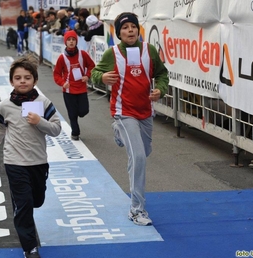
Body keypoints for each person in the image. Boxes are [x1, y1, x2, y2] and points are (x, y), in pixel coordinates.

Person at [0, 56, 61, 258]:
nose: (22, 81)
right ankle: (30, 246)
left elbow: (56, 129)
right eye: (18, 78)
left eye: (27, 77)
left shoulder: (43, 103)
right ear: (11, 81)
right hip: (14, 161)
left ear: (34, 80)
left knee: (37, 200)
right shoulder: (5, 105)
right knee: (24, 204)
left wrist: (39, 121)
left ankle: (22, 204)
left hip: (38, 161)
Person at [91, 12, 169, 226]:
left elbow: (162, 74)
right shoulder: (112, 53)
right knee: (139, 158)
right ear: (119, 33)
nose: (130, 31)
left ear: (138, 30)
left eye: (133, 27)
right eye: (125, 28)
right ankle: (137, 209)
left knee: (144, 153)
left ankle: (119, 133)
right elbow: (95, 74)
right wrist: (102, 77)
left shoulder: (149, 50)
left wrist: (160, 90)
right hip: (123, 112)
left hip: (145, 111)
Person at [53, 30, 95, 140]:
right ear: (65, 42)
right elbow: (57, 73)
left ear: (76, 41)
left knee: (83, 111)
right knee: (72, 114)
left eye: (73, 40)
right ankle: (75, 133)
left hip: (81, 88)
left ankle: (77, 114)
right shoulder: (62, 57)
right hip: (68, 90)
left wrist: (87, 75)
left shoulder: (83, 54)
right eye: (69, 40)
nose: (71, 42)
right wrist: (62, 83)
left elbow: (92, 66)